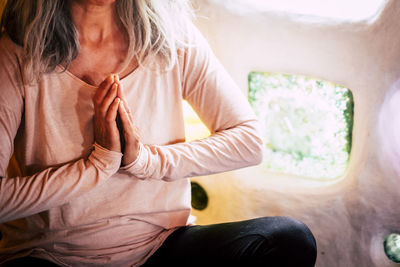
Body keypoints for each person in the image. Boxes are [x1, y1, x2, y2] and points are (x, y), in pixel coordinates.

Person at [0, 0, 317, 266]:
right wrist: (97, 166)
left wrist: (145, 160)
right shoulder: (14, 54)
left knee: (290, 239)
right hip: (50, 255)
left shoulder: (173, 39)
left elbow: (249, 141)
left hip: (160, 247)